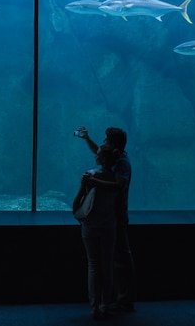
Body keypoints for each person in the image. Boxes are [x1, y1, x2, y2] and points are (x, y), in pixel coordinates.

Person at [77, 125, 137, 313]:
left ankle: (124, 300)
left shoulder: (122, 163)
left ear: (113, 145)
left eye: (106, 140)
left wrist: (93, 182)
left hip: (117, 215)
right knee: (112, 260)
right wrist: (87, 138)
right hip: (109, 216)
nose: (103, 144)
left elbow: (119, 185)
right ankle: (110, 301)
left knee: (121, 258)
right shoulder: (115, 157)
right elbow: (99, 152)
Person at [73, 144, 121, 320]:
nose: (95, 156)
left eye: (98, 154)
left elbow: (77, 203)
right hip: (108, 225)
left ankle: (94, 307)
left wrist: (82, 187)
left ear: (102, 158)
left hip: (90, 226)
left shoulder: (90, 175)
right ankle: (105, 304)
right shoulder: (116, 179)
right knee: (107, 265)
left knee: (93, 265)